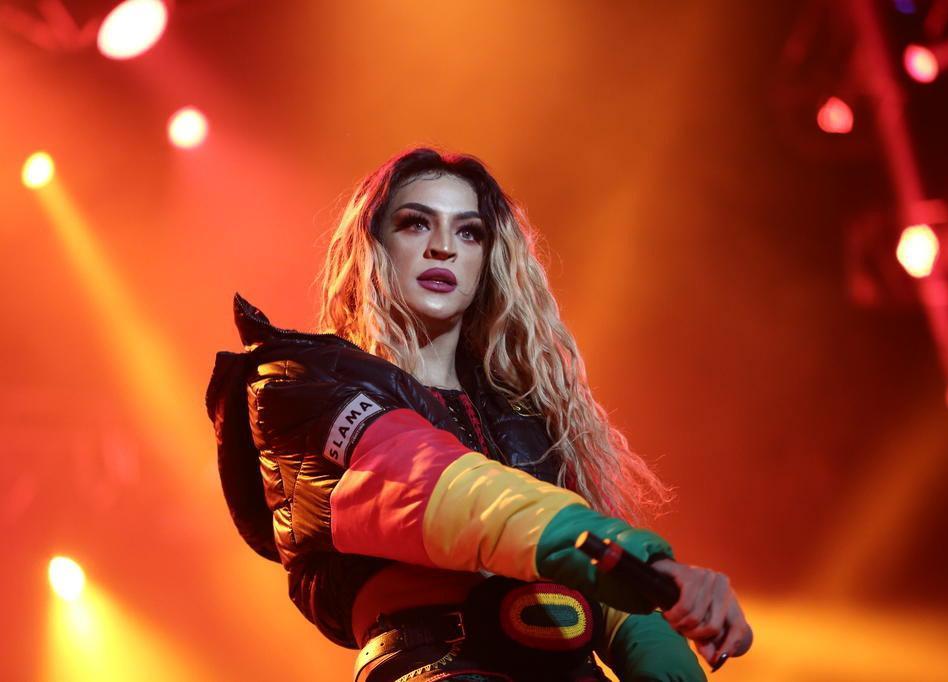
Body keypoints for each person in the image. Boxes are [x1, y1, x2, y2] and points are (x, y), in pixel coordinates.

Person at [205, 147, 753, 681]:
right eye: (415, 224)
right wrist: (648, 564)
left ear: (489, 259)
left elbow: (603, 592)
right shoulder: (301, 384)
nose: (443, 247)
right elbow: (442, 486)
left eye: (469, 233)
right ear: (373, 246)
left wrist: (658, 619)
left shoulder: (526, 416)